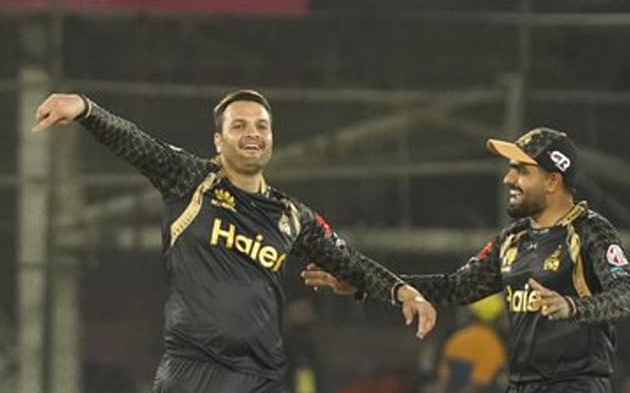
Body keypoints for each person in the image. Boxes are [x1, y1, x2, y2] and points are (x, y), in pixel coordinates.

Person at [33, 90, 437, 393]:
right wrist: (86, 109)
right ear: (218, 140)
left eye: (261, 126)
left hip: (261, 375)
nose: (252, 134)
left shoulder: (290, 215)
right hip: (194, 372)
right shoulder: (191, 180)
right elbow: (138, 143)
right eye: (239, 125)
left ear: (272, 138)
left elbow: (348, 261)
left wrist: (402, 291)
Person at [302, 127, 630, 393]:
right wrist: (369, 285)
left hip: (575, 386)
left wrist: (572, 306)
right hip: (521, 384)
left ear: (553, 180)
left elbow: (627, 295)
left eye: (521, 170)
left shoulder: (590, 231)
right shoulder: (513, 239)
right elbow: (456, 287)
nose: (509, 179)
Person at [435, 294, 507, 393]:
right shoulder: (494, 344)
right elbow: (478, 384)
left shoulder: (457, 338)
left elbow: (444, 380)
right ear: (497, 317)